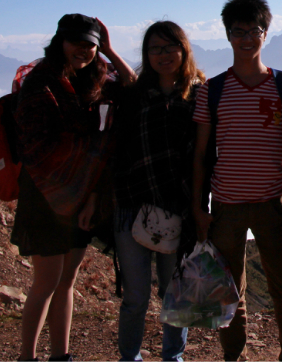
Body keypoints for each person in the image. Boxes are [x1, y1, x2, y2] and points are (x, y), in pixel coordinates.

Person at [11, 13, 136, 362]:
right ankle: (27, 357)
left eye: (90, 45)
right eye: (76, 43)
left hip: (83, 195)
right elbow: (36, 150)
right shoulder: (40, 83)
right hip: (45, 196)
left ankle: (60, 356)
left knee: (67, 280)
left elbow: (133, 87)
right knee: (46, 282)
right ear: (60, 42)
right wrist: (78, 187)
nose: (83, 51)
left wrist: (109, 50)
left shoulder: (96, 78)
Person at [192, 0, 282, 362]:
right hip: (225, 205)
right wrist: (199, 208)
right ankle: (234, 357)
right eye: (237, 31)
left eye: (253, 30)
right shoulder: (211, 90)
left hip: (274, 204)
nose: (246, 38)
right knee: (230, 292)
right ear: (227, 35)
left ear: (265, 33)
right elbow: (200, 155)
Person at [111, 21, 205, 362]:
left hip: (179, 207)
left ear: (183, 49)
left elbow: (205, 153)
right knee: (135, 297)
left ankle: (173, 357)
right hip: (132, 204)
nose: (163, 55)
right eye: (155, 49)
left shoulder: (200, 92)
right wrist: (107, 50)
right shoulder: (134, 95)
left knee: (174, 293)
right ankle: (129, 358)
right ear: (146, 55)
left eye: (169, 47)